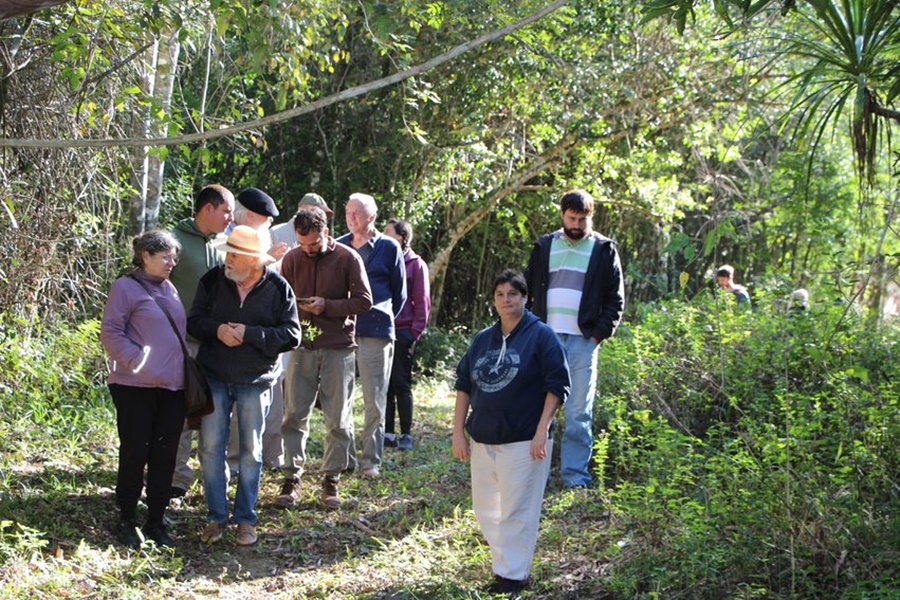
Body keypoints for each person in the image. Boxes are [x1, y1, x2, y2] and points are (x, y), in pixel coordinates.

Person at [452, 269, 570, 594]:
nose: (506, 300)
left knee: (518, 510)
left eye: (513, 294)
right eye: (500, 294)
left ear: (525, 297)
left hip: (523, 439)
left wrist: (542, 430)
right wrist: (458, 431)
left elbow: (557, 385)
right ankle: (504, 566)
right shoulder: (483, 339)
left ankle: (513, 577)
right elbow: (464, 384)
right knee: (486, 508)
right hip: (483, 438)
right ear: (494, 300)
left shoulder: (542, 336)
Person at [188, 225, 301, 546]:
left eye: (236, 255)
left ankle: (246, 519)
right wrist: (217, 330)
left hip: (256, 380)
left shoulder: (279, 288)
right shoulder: (212, 279)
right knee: (210, 449)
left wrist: (251, 334)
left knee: (251, 452)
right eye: (229, 253)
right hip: (214, 376)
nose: (229, 260)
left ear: (255, 261)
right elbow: (193, 321)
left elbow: (292, 335)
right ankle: (216, 517)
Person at [524, 188, 624, 490]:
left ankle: (574, 478)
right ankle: (535, 474)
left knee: (579, 413)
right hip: (546, 339)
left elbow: (615, 301)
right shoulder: (544, 247)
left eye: (582, 219)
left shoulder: (604, 250)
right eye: (572, 218)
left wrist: (596, 336)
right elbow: (526, 292)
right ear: (562, 214)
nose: (577, 224)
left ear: (590, 217)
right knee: (539, 409)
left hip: (583, 341)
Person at [276, 207, 373, 510]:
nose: (308, 250)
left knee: (338, 419)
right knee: (294, 415)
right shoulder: (291, 259)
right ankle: (291, 478)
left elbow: (364, 301)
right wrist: (297, 309)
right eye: (302, 244)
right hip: (302, 346)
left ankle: (331, 479)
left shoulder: (347, 258)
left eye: (314, 245)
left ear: (326, 234)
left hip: (337, 347)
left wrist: (327, 306)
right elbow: (281, 299)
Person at [100, 230, 187, 549]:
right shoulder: (125, 287)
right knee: (135, 453)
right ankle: (127, 519)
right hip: (134, 387)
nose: (171, 262)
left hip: (172, 389)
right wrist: (135, 360)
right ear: (145, 256)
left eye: (174, 257)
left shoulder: (170, 288)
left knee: (165, 457)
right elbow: (110, 331)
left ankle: (156, 521)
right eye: (165, 257)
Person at [168, 184, 235, 499]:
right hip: (184, 346)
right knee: (181, 416)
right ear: (208, 209)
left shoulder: (227, 243)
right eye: (226, 211)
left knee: (217, 415)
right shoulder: (174, 241)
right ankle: (176, 482)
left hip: (221, 345)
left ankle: (215, 484)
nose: (230, 218)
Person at [337, 193, 406, 479]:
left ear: (372, 218)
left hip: (376, 331)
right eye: (348, 213)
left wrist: (381, 316)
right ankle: (344, 458)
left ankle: (371, 461)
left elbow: (399, 294)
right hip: (342, 332)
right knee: (340, 398)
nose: (352, 218)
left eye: (358, 214)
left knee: (374, 399)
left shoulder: (390, 248)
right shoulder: (338, 246)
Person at [225, 188, 289, 477]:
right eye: (266, 218)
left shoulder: (264, 239)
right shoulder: (228, 239)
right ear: (252, 216)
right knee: (233, 407)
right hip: (232, 337)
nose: (269, 224)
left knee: (268, 399)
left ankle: (266, 456)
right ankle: (235, 463)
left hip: (265, 337)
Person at [383, 218, 431, 451]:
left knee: (401, 383)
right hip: (384, 330)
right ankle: (388, 432)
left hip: (404, 331)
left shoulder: (416, 264)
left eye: (388, 232)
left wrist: (415, 332)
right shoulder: (386, 259)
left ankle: (406, 434)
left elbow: (422, 301)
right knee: (386, 384)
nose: (383, 234)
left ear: (401, 237)